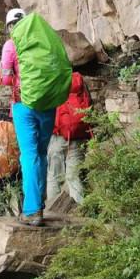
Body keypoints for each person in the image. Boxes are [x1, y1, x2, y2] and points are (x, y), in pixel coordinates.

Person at [0, 7, 72, 227]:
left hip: (24, 106)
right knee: (41, 153)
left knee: (29, 156)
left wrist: (0, 73)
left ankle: (32, 210)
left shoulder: (11, 45)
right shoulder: (43, 42)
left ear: (11, 26)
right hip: (48, 106)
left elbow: (5, 79)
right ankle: (39, 202)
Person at [46, 71, 92, 206]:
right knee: (74, 176)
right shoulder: (78, 80)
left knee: (54, 177)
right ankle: (79, 212)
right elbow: (89, 104)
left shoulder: (51, 79)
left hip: (58, 134)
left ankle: (51, 212)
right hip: (79, 133)